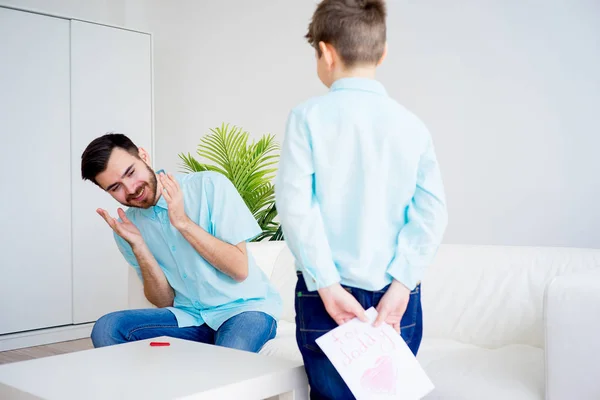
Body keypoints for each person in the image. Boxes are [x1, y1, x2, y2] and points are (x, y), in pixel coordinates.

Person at [275, 0, 448, 397]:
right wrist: (403, 284)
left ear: (325, 53)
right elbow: (432, 213)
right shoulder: (412, 125)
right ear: (383, 53)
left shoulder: (307, 117)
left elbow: (297, 209)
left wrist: (327, 285)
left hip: (326, 295)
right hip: (397, 297)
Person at [81, 133, 281, 352]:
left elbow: (239, 269)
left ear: (144, 156)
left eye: (130, 173)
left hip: (245, 311)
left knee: (226, 362)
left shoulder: (209, 186)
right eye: (115, 187)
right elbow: (163, 301)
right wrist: (139, 247)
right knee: (107, 328)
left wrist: (183, 223)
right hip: (189, 317)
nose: (130, 189)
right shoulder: (127, 228)